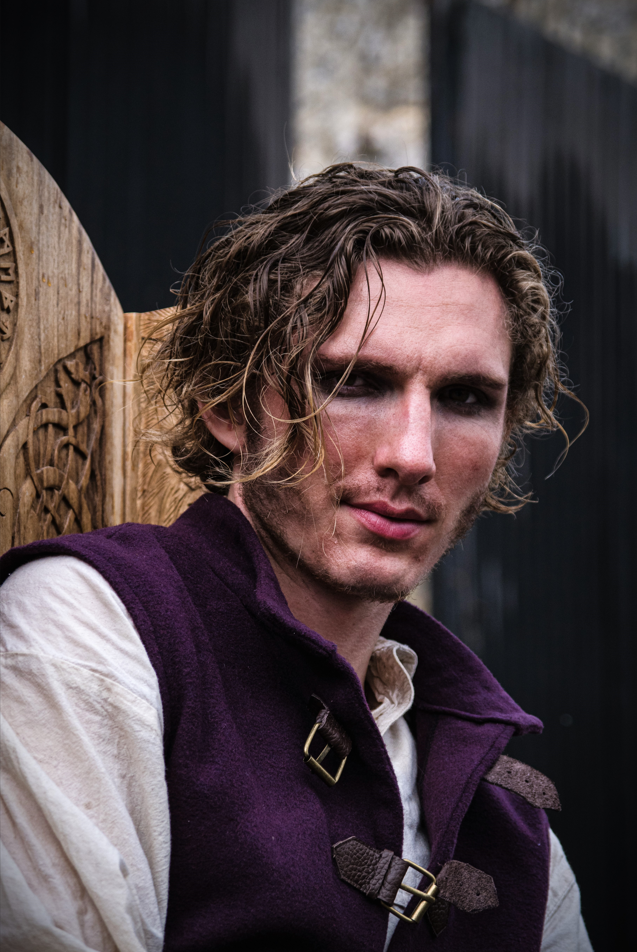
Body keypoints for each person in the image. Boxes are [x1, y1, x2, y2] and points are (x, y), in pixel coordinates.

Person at [0, 165, 593, 952]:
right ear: (227, 400)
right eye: (354, 382)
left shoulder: (497, 798)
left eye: (464, 399)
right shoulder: (88, 630)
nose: (413, 455)